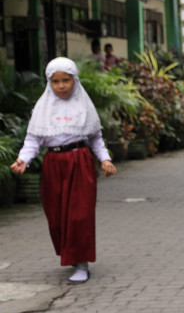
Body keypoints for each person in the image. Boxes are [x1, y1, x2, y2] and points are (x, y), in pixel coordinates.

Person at [9, 57, 117, 283]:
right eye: (55, 81)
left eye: (66, 80)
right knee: (57, 216)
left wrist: (105, 159)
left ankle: (81, 263)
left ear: (74, 80)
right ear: (49, 83)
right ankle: (71, 254)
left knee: (79, 215)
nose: (61, 86)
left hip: (80, 162)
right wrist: (23, 159)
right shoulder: (43, 108)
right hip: (53, 164)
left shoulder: (84, 106)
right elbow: (33, 139)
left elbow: (96, 138)